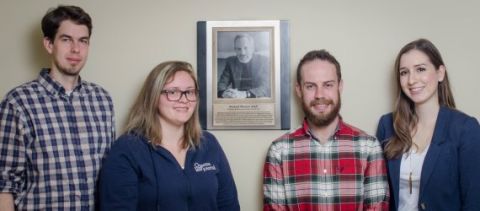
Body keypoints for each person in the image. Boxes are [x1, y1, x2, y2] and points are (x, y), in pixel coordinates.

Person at [0, 5, 115, 210]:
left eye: (83, 41)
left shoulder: (102, 100)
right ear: (49, 44)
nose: (76, 49)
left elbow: (112, 176)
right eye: (66, 39)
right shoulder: (18, 102)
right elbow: (5, 185)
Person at [99, 61, 240, 210]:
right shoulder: (127, 149)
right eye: (173, 92)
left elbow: (228, 205)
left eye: (190, 92)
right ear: (153, 96)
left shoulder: (209, 143)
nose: (184, 99)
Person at [263, 50, 389, 210]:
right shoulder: (279, 151)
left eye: (328, 85)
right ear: (299, 90)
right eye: (310, 86)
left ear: (340, 86)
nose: (319, 95)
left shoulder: (368, 147)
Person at [376, 38, 480, 211]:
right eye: (404, 72)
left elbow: (474, 202)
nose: (411, 80)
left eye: (420, 69)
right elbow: (380, 195)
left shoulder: (465, 129)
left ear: (440, 73)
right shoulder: (387, 125)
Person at [217, 33, 271, 98]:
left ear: (252, 48)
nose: (242, 53)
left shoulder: (263, 61)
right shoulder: (231, 62)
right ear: (235, 50)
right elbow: (222, 83)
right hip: (236, 98)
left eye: (246, 48)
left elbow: (266, 87)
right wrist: (224, 93)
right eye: (238, 49)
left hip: (257, 98)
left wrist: (245, 94)